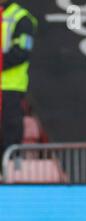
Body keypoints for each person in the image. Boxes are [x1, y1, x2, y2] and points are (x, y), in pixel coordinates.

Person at [0, 0, 37, 162]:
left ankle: (8, 176)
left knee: (9, 134)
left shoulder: (21, 17)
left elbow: (21, 52)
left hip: (9, 88)